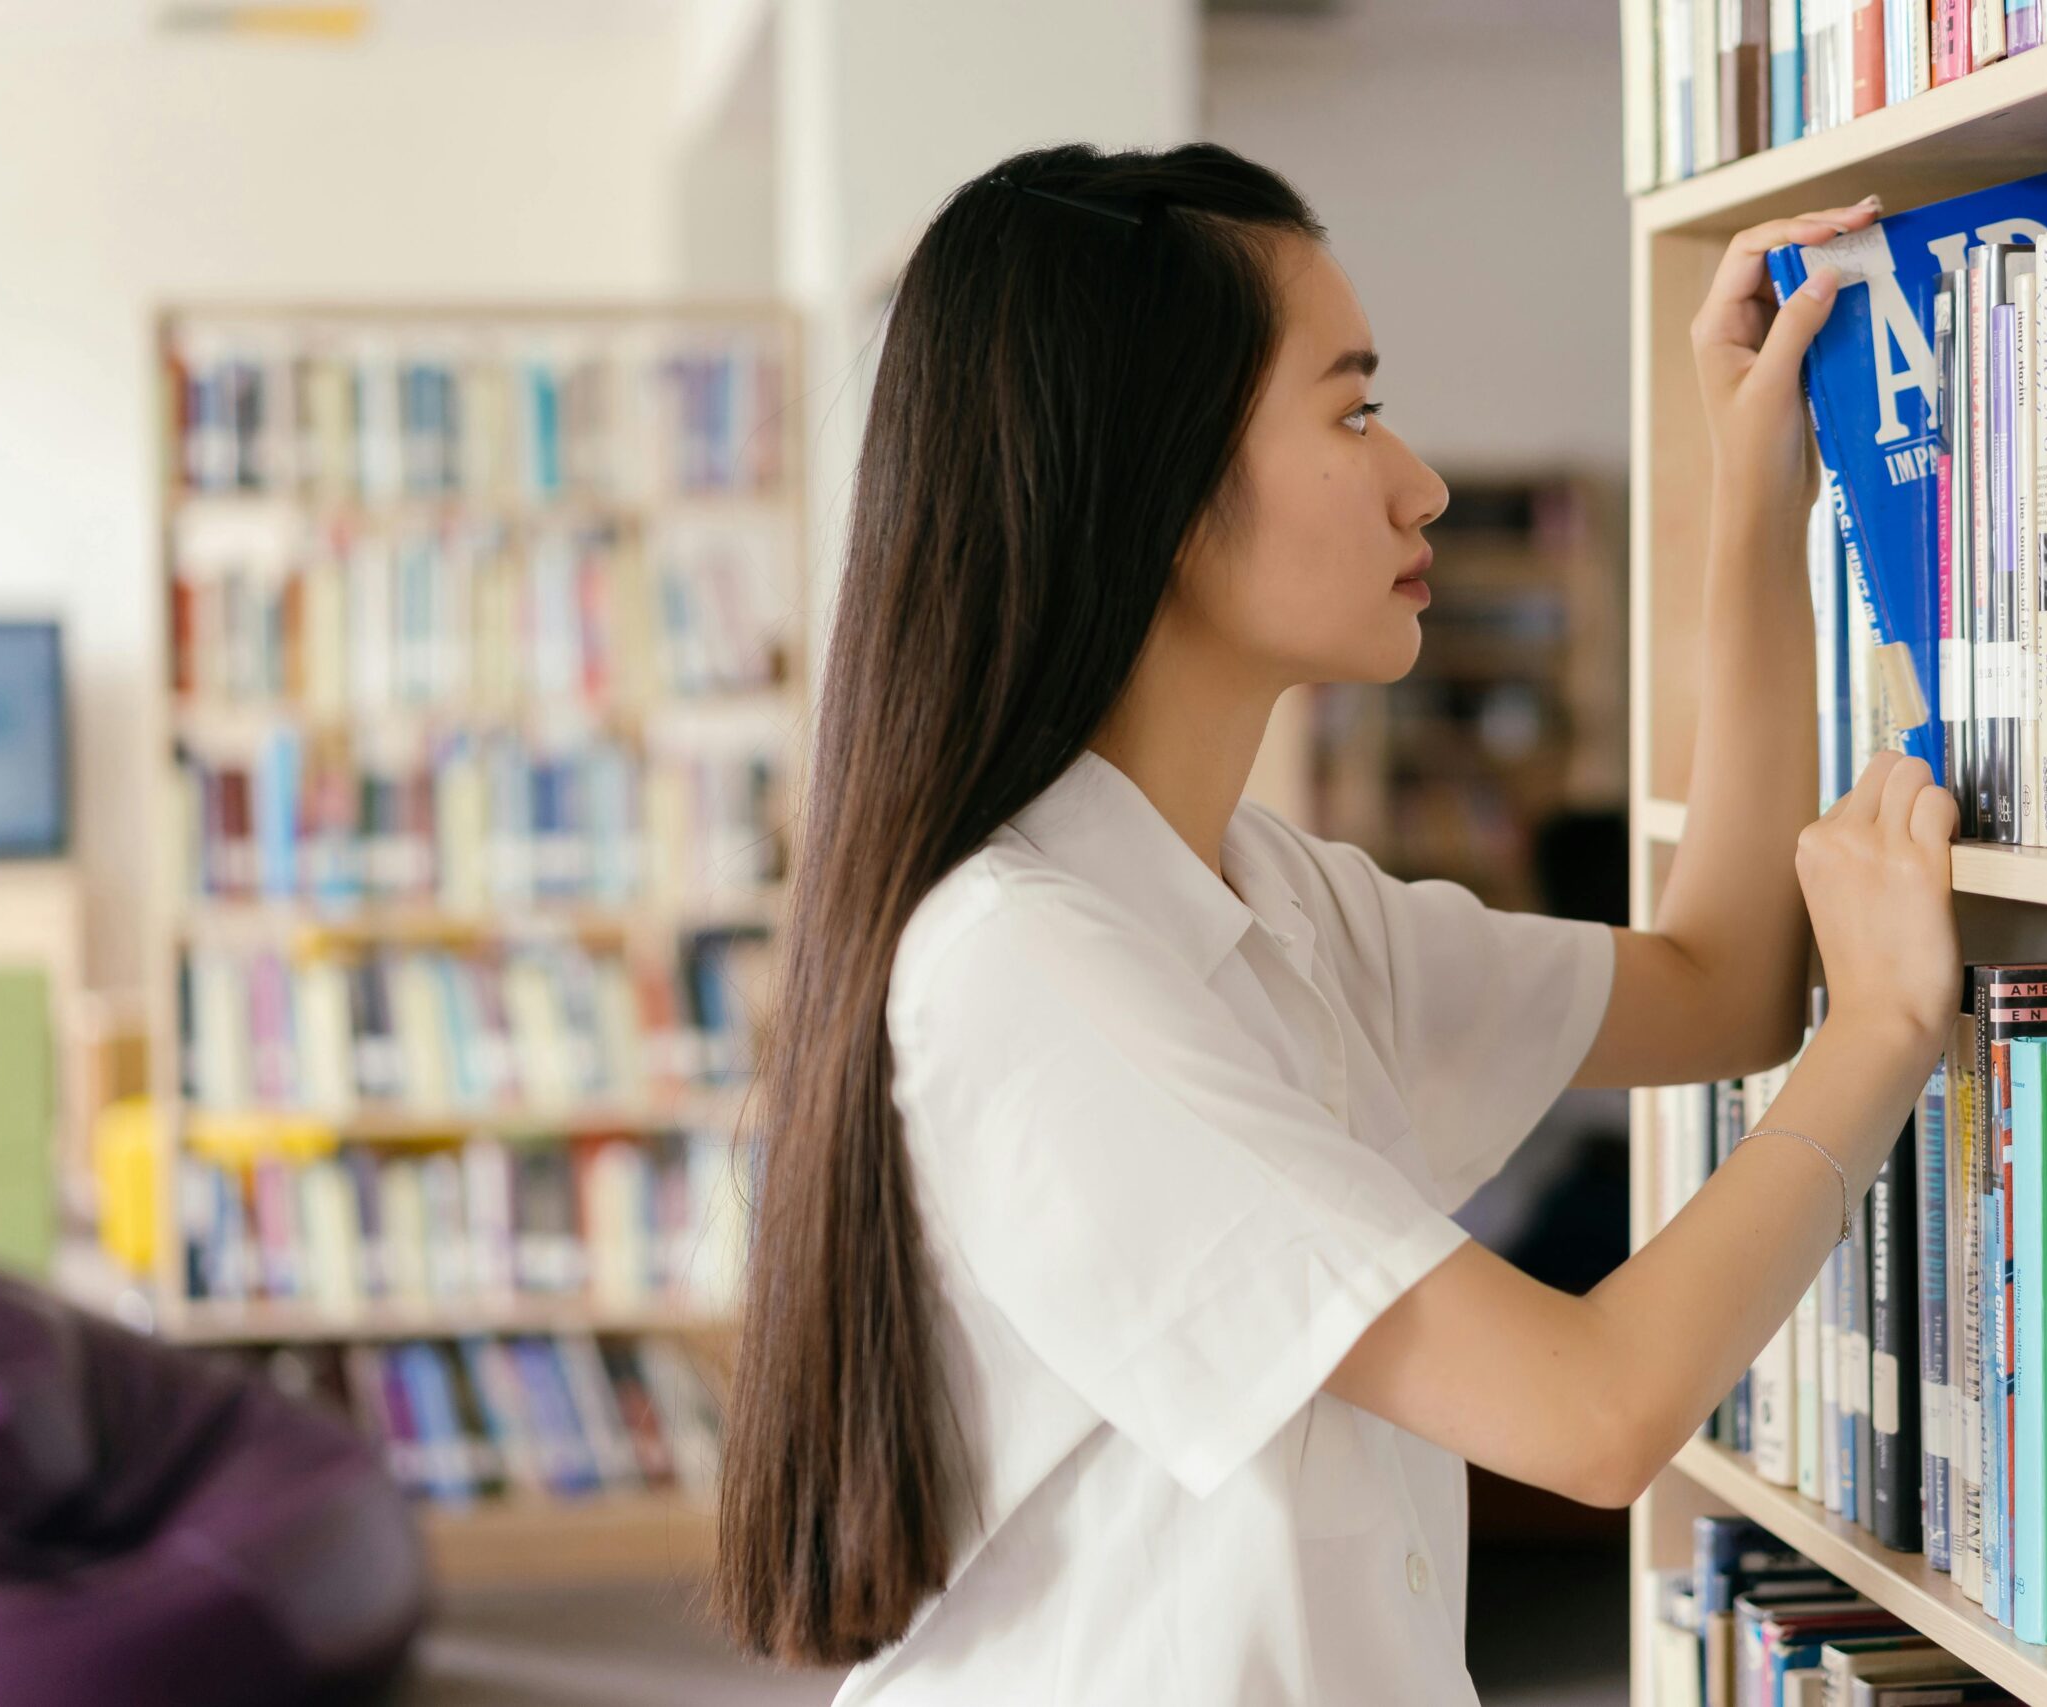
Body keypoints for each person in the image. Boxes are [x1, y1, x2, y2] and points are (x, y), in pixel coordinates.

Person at [716, 142, 1958, 1704]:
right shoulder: (1030, 965)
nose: (1419, 479)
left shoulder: (1267, 894)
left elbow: (1721, 988)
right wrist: (1888, 1032)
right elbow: (1595, 1415)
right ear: (1152, 485)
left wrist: (1758, 490)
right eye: (1354, 410)